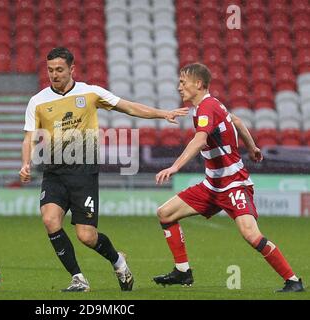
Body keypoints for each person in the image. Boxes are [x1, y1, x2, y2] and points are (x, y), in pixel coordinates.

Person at [19, 47, 188, 292]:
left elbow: (128, 107)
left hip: (83, 172)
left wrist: (162, 114)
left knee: (86, 236)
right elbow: (29, 137)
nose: (54, 74)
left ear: (71, 69)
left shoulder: (90, 92)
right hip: (53, 172)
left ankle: (119, 262)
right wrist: (25, 163)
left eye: (59, 70)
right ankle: (78, 278)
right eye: (50, 70)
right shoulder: (37, 101)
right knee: (50, 220)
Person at [152, 62, 304, 292]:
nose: (179, 87)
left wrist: (175, 166)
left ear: (199, 84)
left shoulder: (206, 107)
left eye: (183, 82)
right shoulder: (212, 104)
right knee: (165, 213)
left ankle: (293, 281)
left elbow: (200, 140)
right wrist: (252, 148)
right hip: (212, 185)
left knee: (251, 235)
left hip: (233, 185)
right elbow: (238, 121)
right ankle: (182, 272)